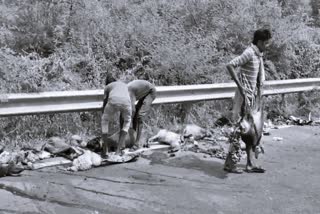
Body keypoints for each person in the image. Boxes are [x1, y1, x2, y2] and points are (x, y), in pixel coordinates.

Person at [223, 29, 272, 173]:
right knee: (238, 130)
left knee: (251, 131)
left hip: (251, 98)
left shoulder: (258, 55)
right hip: (243, 98)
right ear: (260, 42)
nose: (267, 46)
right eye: (267, 43)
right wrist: (241, 87)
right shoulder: (250, 52)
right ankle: (229, 164)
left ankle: (250, 164)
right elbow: (230, 65)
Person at [101, 74, 132, 156]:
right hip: (127, 102)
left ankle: (105, 149)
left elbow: (105, 101)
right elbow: (127, 96)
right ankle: (118, 150)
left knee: (104, 121)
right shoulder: (124, 85)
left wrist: (103, 113)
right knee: (127, 122)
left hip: (113, 100)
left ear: (107, 82)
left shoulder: (108, 86)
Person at [127, 80, 156, 149]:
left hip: (150, 92)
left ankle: (137, 144)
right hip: (144, 92)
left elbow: (132, 110)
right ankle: (133, 139)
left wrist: (128, 125)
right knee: (134, 117)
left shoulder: (128, 92)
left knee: (140, 116)